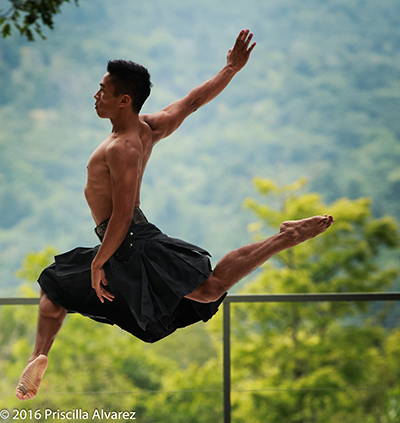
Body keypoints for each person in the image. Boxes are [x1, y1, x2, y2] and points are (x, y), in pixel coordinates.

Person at [15, 29, 334, 400]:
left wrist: (98, 262)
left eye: (103, 90)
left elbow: (121, 215)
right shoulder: (149, 127)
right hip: (122, 241)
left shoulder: (123, 148)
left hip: (132, 242)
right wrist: (230, 68)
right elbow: (192, 102)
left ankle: (287, 236)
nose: (96, 95)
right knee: (53, 289)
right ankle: (38, 358)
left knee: (209, 288)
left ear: (124, 99)